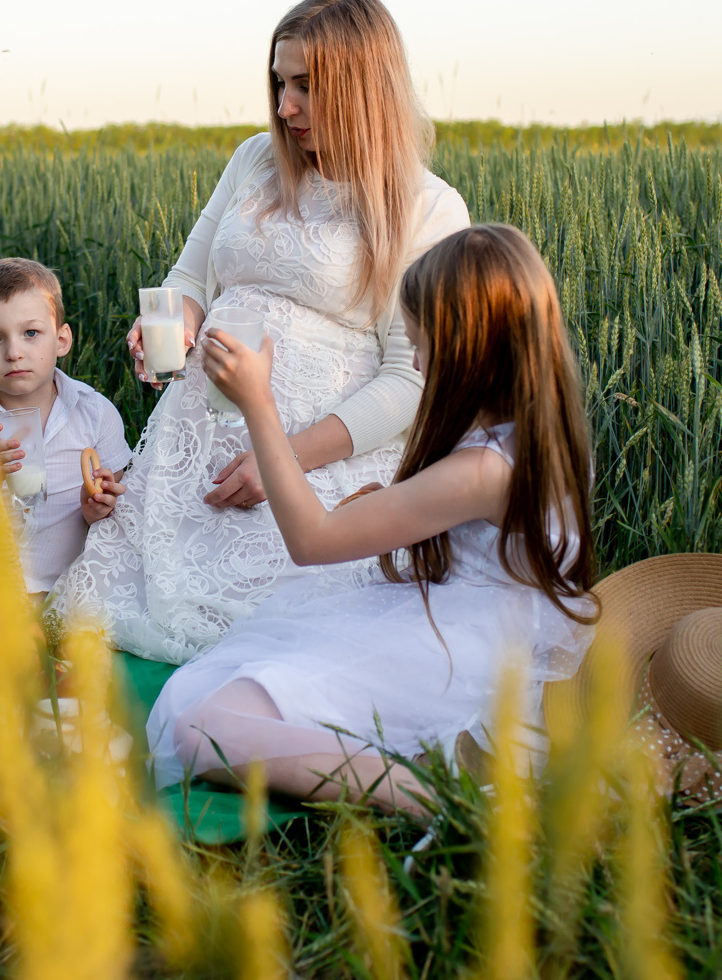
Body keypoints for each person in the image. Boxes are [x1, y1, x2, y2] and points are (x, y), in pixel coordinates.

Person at [50, 0, 471, 662]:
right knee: (112, 618)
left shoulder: (429, 207)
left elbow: (409, 380)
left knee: (274, 636)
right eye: (279, 82)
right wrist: (172, 325)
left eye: (306, 85)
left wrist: (280, 460)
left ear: (364, 87)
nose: (284, 107)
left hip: (319, 463)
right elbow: (190, 278)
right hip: (194, 446)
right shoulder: (254, 159)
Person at [146, 224, 598, 813]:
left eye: (421, 341)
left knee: (201, 727)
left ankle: (449, 802)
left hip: (464, 648)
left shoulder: (487, 469)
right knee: (207, 704)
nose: (414, 358)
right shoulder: (537, 435)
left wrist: (260, 403)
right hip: (470, 624)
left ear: (470, 345)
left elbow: (312, 541)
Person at [0, 258, 131, 620]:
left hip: (58, 582)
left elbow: (115, 501)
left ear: (62, 340)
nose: (14, 352)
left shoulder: (94, 413)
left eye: (31, 333)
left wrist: (97, 508)